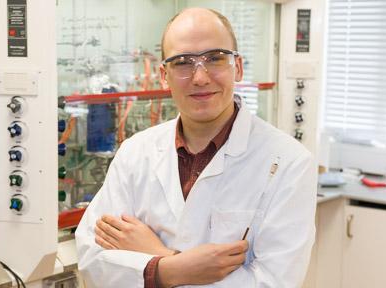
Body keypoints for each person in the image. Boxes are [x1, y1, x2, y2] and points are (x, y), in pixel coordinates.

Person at [75, 7, 316, 288]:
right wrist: (173, 268)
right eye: (183, 62)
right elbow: (92, 260)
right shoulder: (135, 152)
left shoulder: (289, 162)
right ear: (164, 75)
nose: (200, 77)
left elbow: (274, 283)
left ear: (236, 67)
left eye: (215, 58)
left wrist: (160, 258)